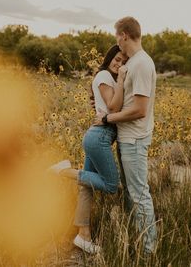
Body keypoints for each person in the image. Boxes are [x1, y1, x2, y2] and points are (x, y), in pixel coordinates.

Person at [48, 45, 128, 254]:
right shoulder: (104, 75)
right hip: (99, 137)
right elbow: (113, 107)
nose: (118, 64)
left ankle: (83, 235)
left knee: (87, 186)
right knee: (111, 185)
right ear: (109, 57)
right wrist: (121, 80)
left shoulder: (107, 77)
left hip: (98, 136)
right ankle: (63, 171)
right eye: (116, 59)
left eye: (123, 62)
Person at [94, 17, 157, 255]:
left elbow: (140, 110)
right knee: (132, 194)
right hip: (128, 139)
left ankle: (148, 252)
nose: (117, 43)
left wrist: (107, 119)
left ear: (124, 35)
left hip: (134, 140)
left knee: (139, 195)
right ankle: (138, 242)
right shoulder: (135, 63)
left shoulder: (141, 64)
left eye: (117, 37)